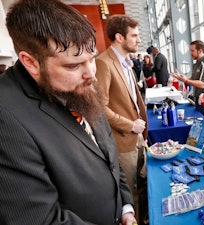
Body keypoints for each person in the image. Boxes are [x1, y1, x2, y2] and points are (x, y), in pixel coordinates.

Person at [1, 0, 136, 224]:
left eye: (92, 58)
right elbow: (40, 219)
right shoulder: (6, 117)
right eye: (73, 65)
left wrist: (126, 208)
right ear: (30, 62)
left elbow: (108, 154)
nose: (91, 74)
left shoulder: (80, 82)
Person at [95, 15, 148, 224]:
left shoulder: (126, 62)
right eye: (134, 35)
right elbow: (99, 108)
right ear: (119, 37)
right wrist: (130, 125)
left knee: (143, 184)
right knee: (131, 193)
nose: (138, 40)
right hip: (123, 141)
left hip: (137, 138)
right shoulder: (103, 63)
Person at [172, 40, 204, 121]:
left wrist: (186, 81)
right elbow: (193, 78)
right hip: (197, 99)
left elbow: (202, 84)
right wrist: (181, 78)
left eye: (192, 50)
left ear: (200, 51)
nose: (190, 53)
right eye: (190, 50)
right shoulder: (196, 64)